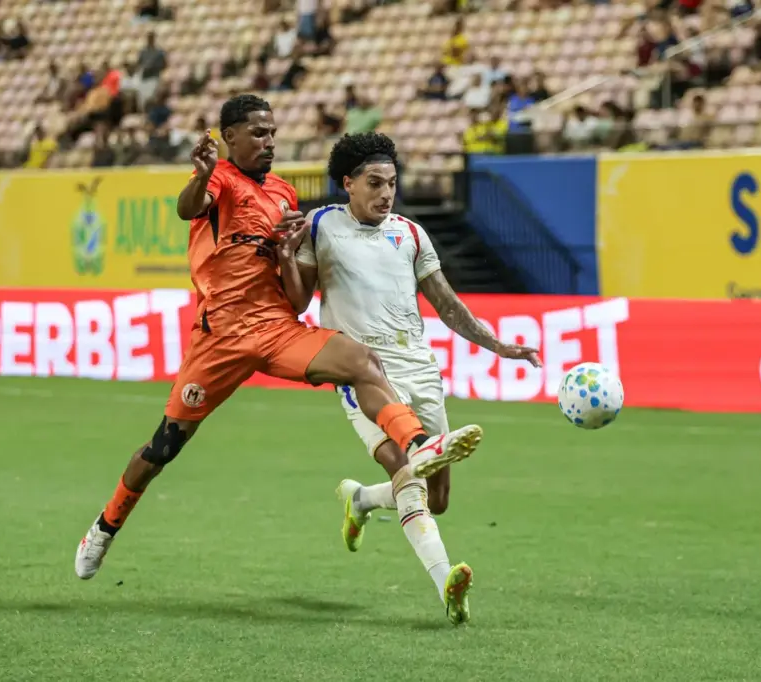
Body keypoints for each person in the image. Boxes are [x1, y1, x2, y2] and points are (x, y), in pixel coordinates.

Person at [74, 96, 484, 586]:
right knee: (164, 447)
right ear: (230, 137)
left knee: (360, 360)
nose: (269, 141)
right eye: (258, 133)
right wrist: (202, 174)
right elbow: (188, 209)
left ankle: (418, 444)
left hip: (274, 326)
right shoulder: (219, 181)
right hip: (220, 336)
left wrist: (288, 253)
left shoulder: (285, 195)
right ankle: (104, 527)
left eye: (272, 132)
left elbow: (295, 301)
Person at [287, 132, 541, 625]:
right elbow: (297, 303)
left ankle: (360, 499)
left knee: (437, 497)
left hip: (420, 368)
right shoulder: (320, 226)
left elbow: (447, 303)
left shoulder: (410, 233)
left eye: (392, 183)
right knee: (407, 472)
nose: (386, 193)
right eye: (375, 183)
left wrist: (499, 345)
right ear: (348, 184)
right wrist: (285, 258)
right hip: (361, 370)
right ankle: (446, 580)